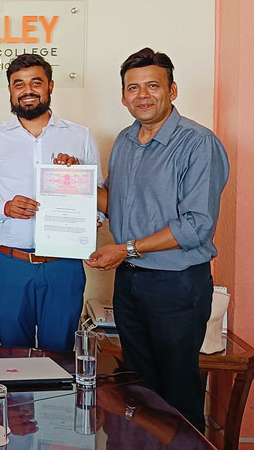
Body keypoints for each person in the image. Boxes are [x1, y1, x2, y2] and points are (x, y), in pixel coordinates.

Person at [86, 48, 228, 432]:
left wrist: (126, 248)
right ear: (123, 95)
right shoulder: (125, 140)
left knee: (177, 391)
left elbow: (196, 225)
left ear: (173, 90)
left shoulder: (198, 143)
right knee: (137, 387)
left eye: (153, 85)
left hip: (177, 284)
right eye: (133, 87)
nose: (142, 95)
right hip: (130, 281)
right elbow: (114, 202)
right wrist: (73, 182)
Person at [0, 53, 102, 352]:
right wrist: (5, 207)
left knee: (59, 357)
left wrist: (88, 212)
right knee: (13, 358)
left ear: (51, 86)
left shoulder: (80, 137)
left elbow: (99, 200)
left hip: (63, 265)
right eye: (18, 84)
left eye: (36, 82)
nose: (27, 90)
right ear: (10, 90)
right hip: (11, 264)